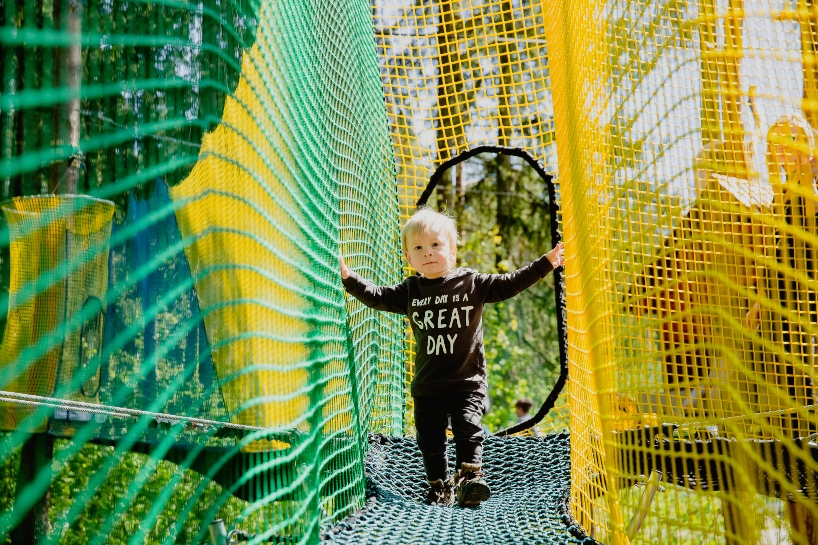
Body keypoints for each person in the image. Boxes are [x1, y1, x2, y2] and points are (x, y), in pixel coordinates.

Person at [339, 207, 564, 507]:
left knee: (468, 430)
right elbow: (377, 296)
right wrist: (348, 278)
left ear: (452, 250)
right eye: (418, 248)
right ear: (408, 258)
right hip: (427, 385)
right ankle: (439, 486)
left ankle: (470, 479)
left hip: (466, 381)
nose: (428, 253)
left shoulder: (471, 283)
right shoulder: (410, 290)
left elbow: (511, 283)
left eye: (435, 245)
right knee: (429, 441)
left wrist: (546, 263)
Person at [746, 115, 818, 439]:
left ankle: (808, 432)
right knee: (778, 366)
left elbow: (809, 215)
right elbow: (777, 250)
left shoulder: (808, 182)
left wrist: (806, 173)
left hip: (806, 292)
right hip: (781, 294)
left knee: (803, 364)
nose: (783, 149)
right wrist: (759, 301)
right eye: (777, 144)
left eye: (791, 141)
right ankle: (787, 432)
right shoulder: (781, 193)